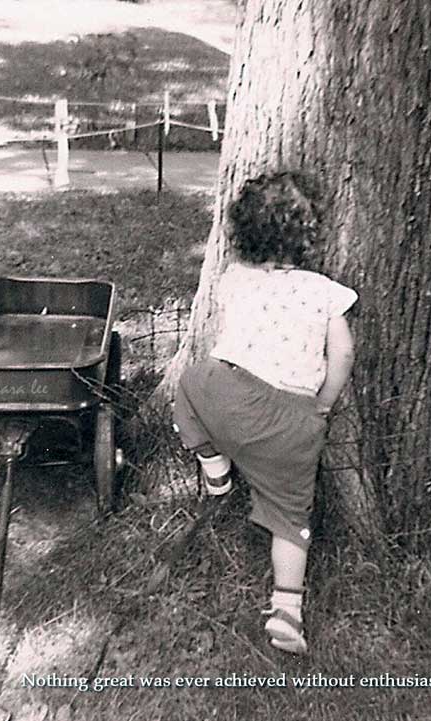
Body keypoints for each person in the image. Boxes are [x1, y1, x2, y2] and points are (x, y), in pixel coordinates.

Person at [173, 172, 357, 655]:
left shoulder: (235, 279)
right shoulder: (326, 291)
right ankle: (286, 611)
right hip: (288, 422)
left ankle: (214, 466)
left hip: (224, 391)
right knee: (290, 517)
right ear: (311, 235)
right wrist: (323, 403)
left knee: (189, 382)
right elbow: (342, 354)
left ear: (243, 233)